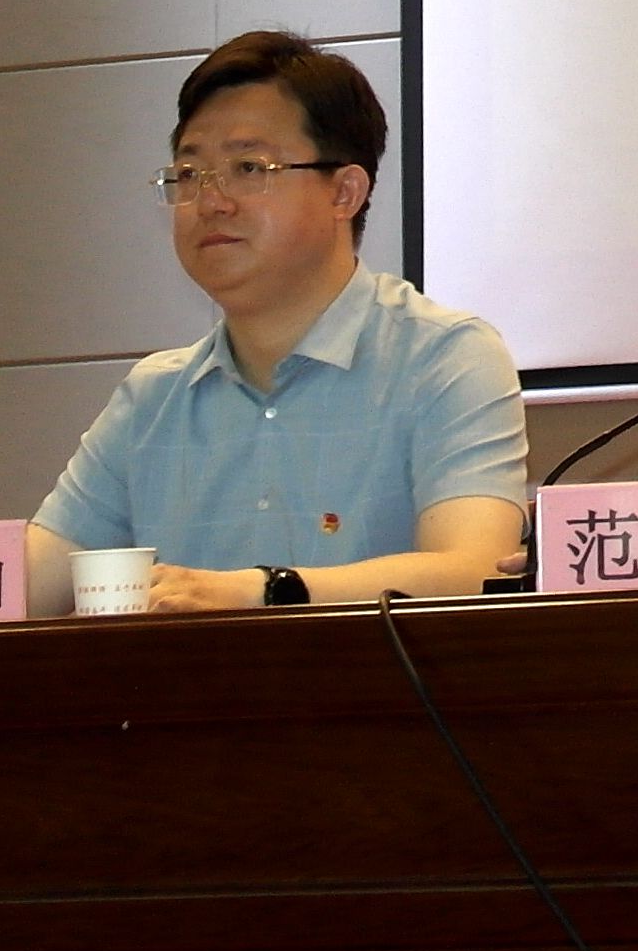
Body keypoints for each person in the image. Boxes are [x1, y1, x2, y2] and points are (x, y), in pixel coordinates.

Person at [34, 31, 530, 610]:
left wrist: (263, 590)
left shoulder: (444, 358)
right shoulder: (153, 400)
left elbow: (477, 574)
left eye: (248, 168)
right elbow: (18, 590)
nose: (212, 202)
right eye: (190, 174)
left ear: (344, 192)